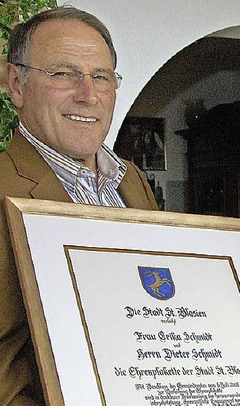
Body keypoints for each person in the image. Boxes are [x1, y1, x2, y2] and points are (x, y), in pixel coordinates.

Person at [0, 6, 158, 404]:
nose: (88, 95)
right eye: (62, 74)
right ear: (16, 84)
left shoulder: (133, 181)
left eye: (100, 77)